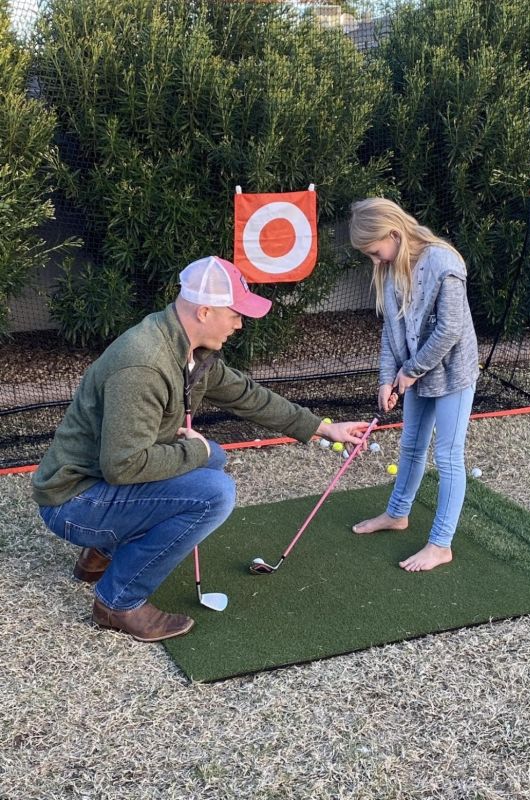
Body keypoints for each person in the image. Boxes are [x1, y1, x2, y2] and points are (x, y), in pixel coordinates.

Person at [32, 256, 369, 642]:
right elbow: (123, 466)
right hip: (72, 502)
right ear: (205, 310)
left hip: (99, 485)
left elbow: (247, 395)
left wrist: (323, 428)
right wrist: (199, 452)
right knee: (214, 494)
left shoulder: (189, 351)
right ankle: (117, 602)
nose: (240, 323)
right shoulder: (144, 364)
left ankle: (101, 553)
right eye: (236, 313)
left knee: (215, 461)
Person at [348, 198, 480, 572]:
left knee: (449, 456)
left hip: (452, 373)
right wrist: (387, 378)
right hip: (415, 374)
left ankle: (441, 544)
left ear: (393, 233)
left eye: (375, 251)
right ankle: (397, 514)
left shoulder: (443, 262)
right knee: (411, 445)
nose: (375, 260)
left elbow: (450, 329)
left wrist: (411, 370)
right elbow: (391, 331)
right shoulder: (389, 270)